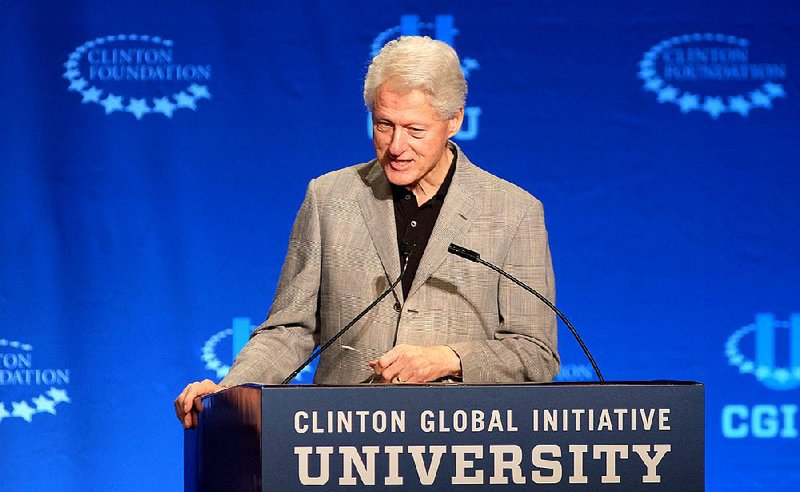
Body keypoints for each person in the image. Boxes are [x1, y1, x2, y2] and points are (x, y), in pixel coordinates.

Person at [175, 36, 559, 429]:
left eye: (415, 129)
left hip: (459, 449)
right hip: (343, 445)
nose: (396, 146)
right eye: (383, 125)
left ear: (455, 121)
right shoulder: (329, 198)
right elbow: (290, 329)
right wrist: (227, 393)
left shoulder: (514, 213)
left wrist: (448, 358)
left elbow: (535, 353)